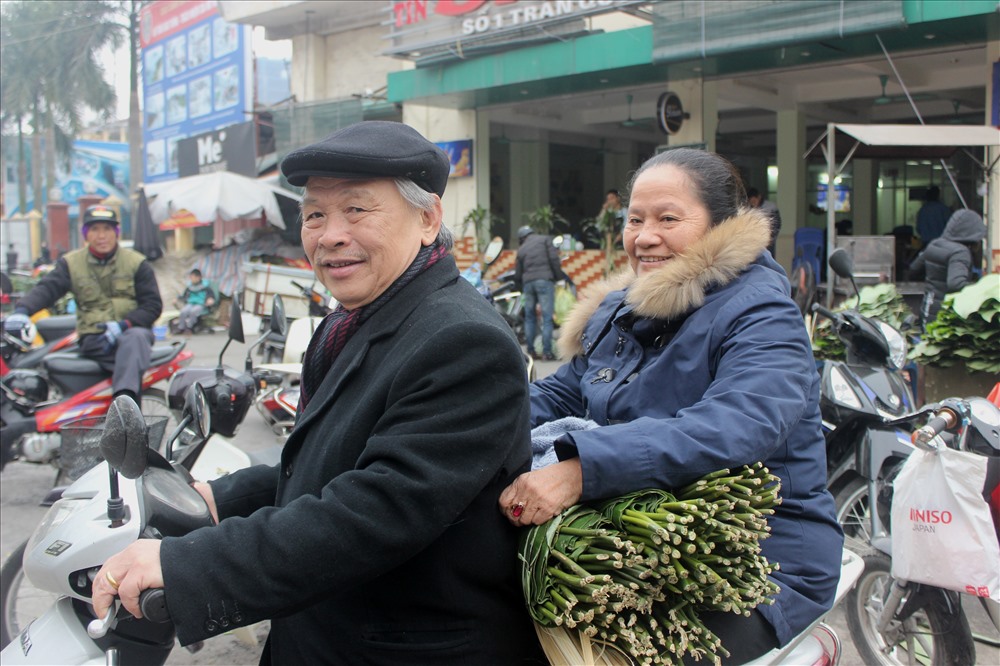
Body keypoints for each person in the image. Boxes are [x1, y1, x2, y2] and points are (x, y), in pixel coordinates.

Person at [92, 121, 544, 665]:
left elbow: (375, 510)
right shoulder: (353, 321)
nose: (330, 235)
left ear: (428, 219)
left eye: (356, 210)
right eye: (314, 215)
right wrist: (221, 499)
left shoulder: (462, 340)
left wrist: (187, 565)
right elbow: (325, 460)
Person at [500, 148, 843, 664]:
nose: (644, 236)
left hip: (756, 563)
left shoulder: (761, 312)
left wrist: (580, 470)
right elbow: (564, 390)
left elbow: (737, 424)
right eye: (634, 219)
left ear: (721, 226)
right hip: (640, 532)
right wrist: (466, 423)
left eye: (668, 219)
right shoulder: (629, 308)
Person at [3, 206, 161, 402]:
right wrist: (22, 311)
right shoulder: (71, 263)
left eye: (107, 229)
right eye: (95, 229)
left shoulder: (137, 263)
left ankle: (124, 402)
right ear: (86, 234)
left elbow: (152, 306)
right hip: (94, 338)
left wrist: (123, 325)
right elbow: (47, 289)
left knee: (135, 339)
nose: (101, 236)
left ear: (116, 233)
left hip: (133, 334)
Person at [908, 208, 986, 328]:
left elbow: (913, 270)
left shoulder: (935, 244)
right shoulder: (960, 252)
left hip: (927, 309)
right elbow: (956, 284)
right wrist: (982, 288)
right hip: (945, 316)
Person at [515, 224, 567, 361]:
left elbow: (518, 273)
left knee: (530, 317)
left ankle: (531, 351)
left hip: (528, 284)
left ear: (522, 238)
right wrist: (559, 278)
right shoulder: (544, 240)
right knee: (547, 318)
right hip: (545, 281)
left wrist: (522, 287)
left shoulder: (521, 249)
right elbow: (554, 259)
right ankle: (546, 352)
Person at [173, 268, 216, 334]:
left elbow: (211, 296)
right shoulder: (190, 287)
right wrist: (177, 298)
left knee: (194, 311)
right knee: (183, 311)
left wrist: (210, 300)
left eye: (193, 277)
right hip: (190, 303)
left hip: (201, 304)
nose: (191, 279)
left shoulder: (205, 287)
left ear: (198, 277)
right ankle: (181, 327)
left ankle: (189, 327)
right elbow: (184, 296)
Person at [747, 186, 782, 256]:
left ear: (759, 197)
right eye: (751, 202)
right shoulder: (749, 209)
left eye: (754, 201)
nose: (753, 204)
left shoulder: (771, 207)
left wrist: (771, 239)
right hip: (754, 242)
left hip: (769, 241)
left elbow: (777, 224)